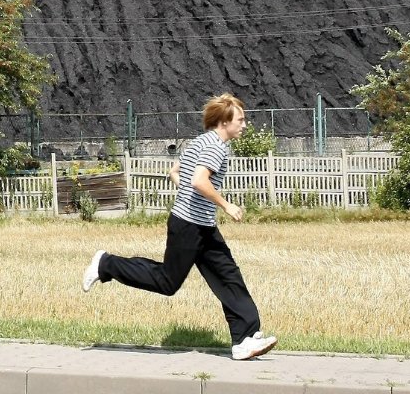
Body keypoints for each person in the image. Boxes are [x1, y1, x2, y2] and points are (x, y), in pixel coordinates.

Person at [81, 93, 277, 361]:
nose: (244, 125)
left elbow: (177, 172)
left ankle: (245, 338)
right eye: (240, 120)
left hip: (202, 226)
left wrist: (193, 193)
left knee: (228, 276)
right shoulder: (215, 147)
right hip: (189, 226)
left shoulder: (202, 141)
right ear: (224, 122)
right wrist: (226, 205)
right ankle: (106, 264)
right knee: (167, 282)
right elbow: (198, 180)